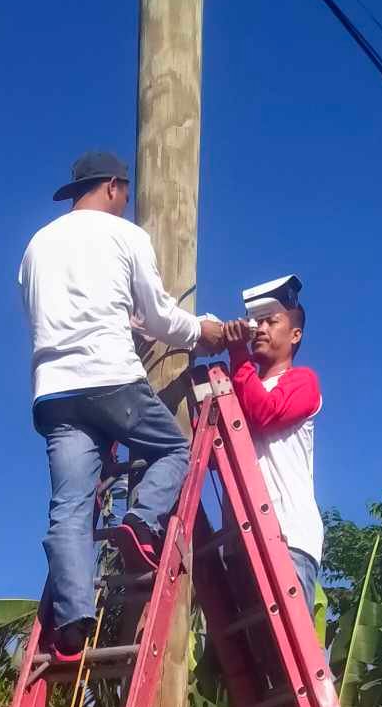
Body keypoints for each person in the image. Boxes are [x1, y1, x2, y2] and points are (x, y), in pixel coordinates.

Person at [19, 148, 231, 665]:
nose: (126, 202)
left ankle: (71, 623)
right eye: (125, 193)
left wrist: (121, 322)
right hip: (111, 378)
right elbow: (160, 317)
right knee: (174, 451)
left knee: (69, 506)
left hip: (54, 391)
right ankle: (141, 521)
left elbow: (51, 314)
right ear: (114, 186)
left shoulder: (36, 246)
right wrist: (198, 333)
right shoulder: (126, 236)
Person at [226, 282, 325, 613]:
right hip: (242, 540)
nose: (261, 328)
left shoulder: (303, 381)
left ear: (295, 335)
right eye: (257, 322)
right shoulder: (240, 388)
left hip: (287, 536)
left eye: (272, 321)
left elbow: (265, 413)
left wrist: (238, 356)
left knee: (281, 659)